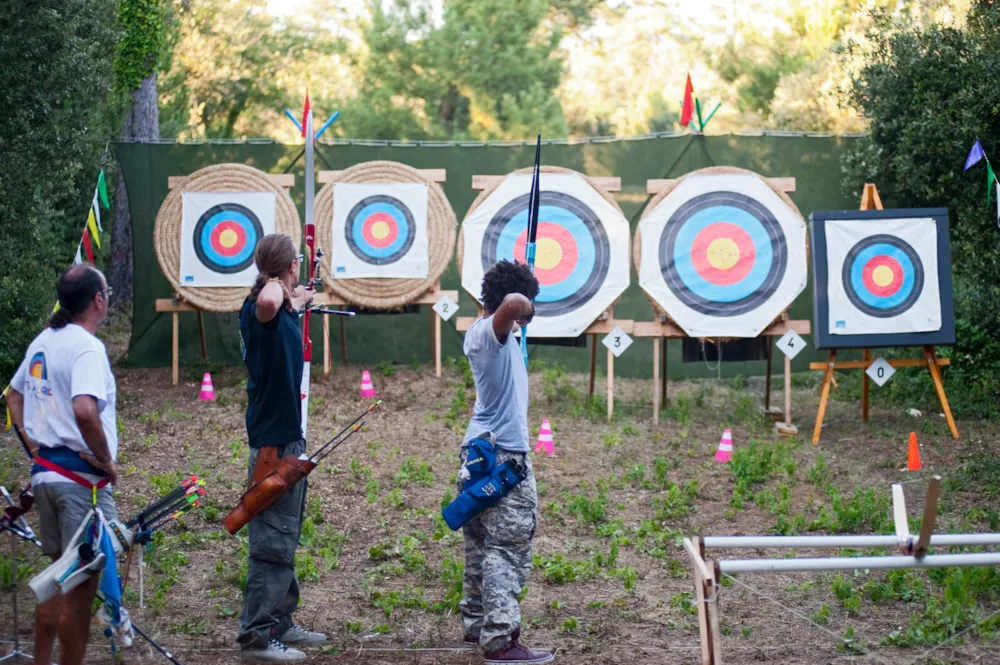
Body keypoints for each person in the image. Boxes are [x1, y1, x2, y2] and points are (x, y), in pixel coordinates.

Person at [5, 265, 119, 665]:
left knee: (55, 580)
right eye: (107, 291)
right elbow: (85, 409)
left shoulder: (44, 340)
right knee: (80, 592)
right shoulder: (87, 347)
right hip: (79, 484)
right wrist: (105, 460)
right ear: (98, 300)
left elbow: (13, 396)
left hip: (48, 478)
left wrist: (36, 451)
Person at [236, 233, 326, 662]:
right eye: (297, 263)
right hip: (273, 444)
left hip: (288, 435)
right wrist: (283, 288)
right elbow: (270, 301)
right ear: (290, 266)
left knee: (285, 534)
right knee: (272, 538)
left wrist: (301, 297)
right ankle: (255, 634)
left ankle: (280, 622)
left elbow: (283, 302)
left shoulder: (281, 308)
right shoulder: (262, 309)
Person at [459, 259, 553, 664]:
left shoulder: (487, 335)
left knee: (481, 542)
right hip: (504, 458)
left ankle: (478, 622)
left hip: (480, 453)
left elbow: (509, 307)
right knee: (507, 547)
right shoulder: (489, 333)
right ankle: (500, 640)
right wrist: (526, 306)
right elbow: (514, 303)